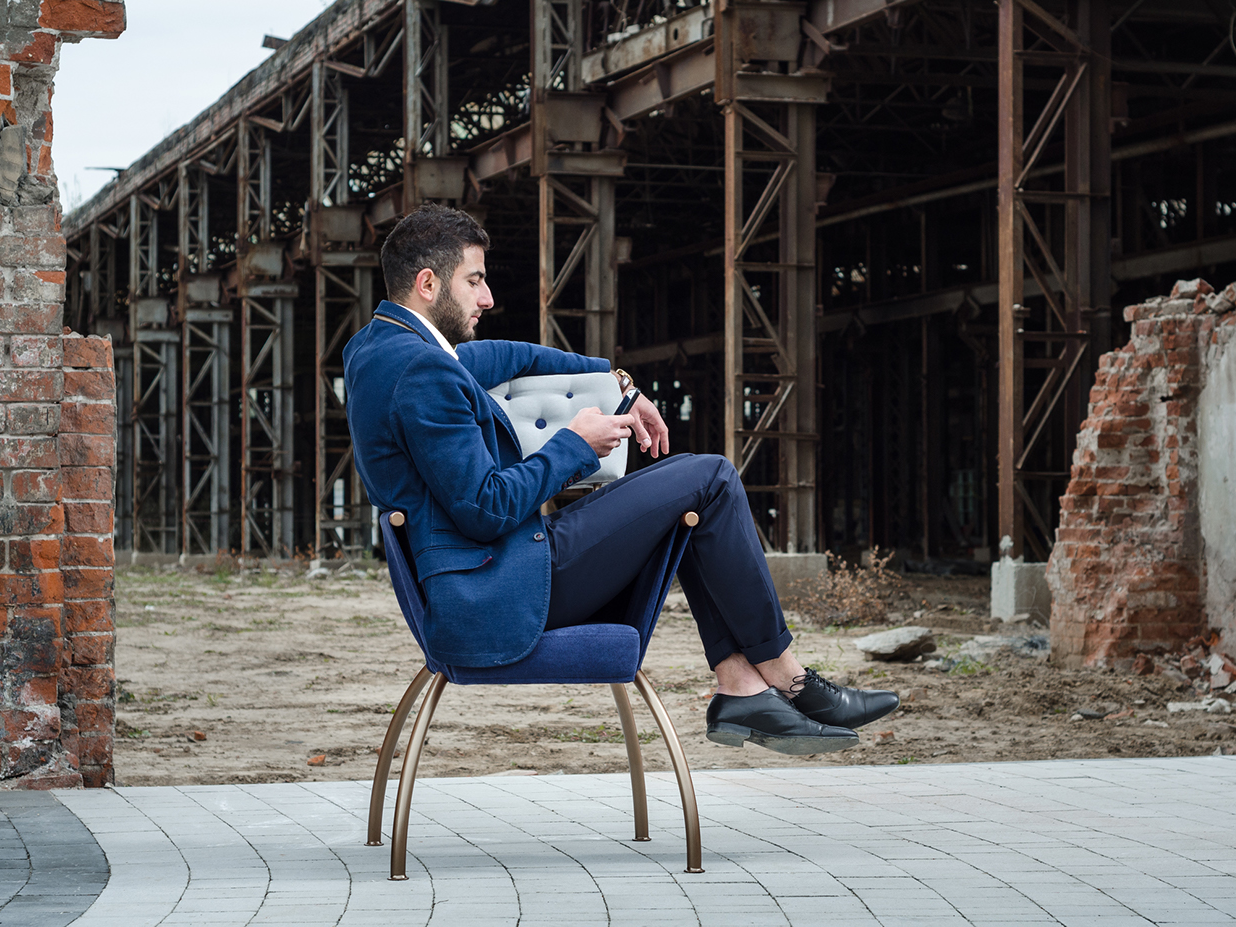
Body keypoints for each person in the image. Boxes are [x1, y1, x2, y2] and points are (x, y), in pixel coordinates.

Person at [344, 203, 899, 755]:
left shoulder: (378, 348)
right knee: (710, 478)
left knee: (700, 496)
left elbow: (507, 355)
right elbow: (483, 507)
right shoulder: (422, 370)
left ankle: (741, 684)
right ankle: (786, 677)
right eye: (474, 281)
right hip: (503, 592)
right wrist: (574, 447)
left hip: (491, 577)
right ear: (427, 283)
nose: (487, 298)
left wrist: (616, 383)